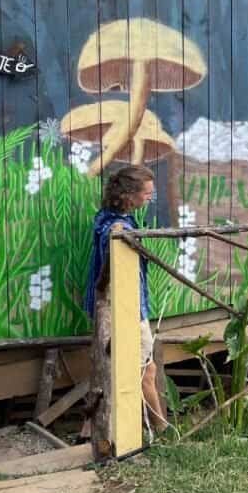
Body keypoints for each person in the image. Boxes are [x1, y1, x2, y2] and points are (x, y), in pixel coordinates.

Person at [82, 165, 166, 438]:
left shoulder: (107, 216)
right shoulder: (116, 225)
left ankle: (98, 429)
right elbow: (113, 238)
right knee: (146, 372)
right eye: (147, 194)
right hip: (126, 309)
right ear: (129, 195)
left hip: (115, 307)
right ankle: (160, 429)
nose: (149, 199)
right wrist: (122, 233)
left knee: (120, 369)